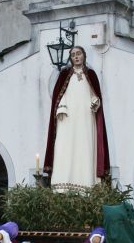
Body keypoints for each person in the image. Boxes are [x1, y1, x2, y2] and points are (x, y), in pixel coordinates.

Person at [43, 46, 110, 189]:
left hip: (86, 119)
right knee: (64, 146)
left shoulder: (91, 75)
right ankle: (62, 184)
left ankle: (86, 184)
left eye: (78, 54)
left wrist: (95, 102)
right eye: (73, 55)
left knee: (85, 147)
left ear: (84, 56)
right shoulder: (64, 75)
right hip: (66, 119)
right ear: (71, 58)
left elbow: (95, 96)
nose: (76, 57)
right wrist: (61, 107)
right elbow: (58, 96)